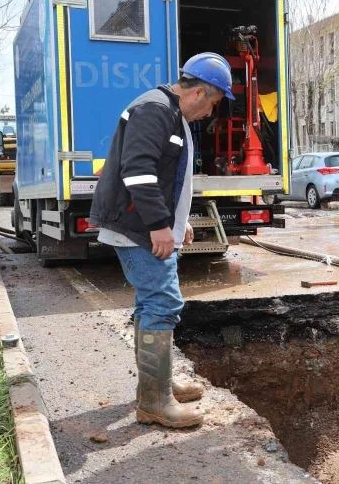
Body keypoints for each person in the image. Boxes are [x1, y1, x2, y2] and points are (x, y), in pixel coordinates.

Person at [89, 52, 234, 429]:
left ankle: (157, 385)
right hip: (138, 227)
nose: (210, 114)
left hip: (144, 223)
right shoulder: (156, 110)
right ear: (200, 92)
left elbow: (166, 176)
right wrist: (158, 226)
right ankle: (155, 402)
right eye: (213, 104)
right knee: (162, 301)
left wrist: (177, 221)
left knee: (148, 302)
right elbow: (137, 172)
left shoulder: (168, 111)